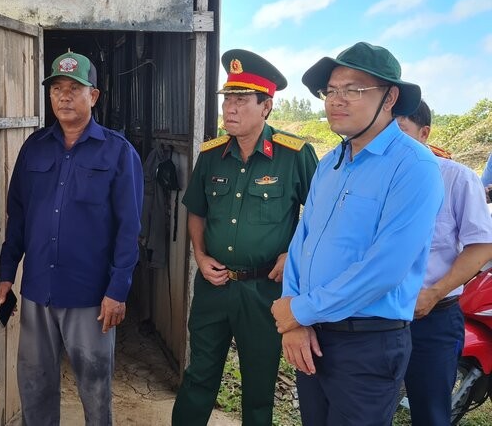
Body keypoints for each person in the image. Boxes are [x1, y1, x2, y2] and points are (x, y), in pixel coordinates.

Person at [271, 42, 444, 425]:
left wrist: (299, 310)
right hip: (311, 333)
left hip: (367, 343)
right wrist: (295, 318)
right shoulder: (331, 161)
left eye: (353, 90)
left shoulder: (414, 167)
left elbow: (384, 270)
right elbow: (303, 241)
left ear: (390, 98)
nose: (336, 100)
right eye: (331, 90)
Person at [0, 51, 143, 426]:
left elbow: (129, 228)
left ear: (93, 96)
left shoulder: (118, 152)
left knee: (94, 389)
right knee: (35, 386)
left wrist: (118, 290)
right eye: (56, 88)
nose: (63, 96)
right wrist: (7, 272)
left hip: (90, 297)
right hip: (38, 291)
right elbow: (18, 215)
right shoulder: (34, 147)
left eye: (74, 88)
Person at [172, 49, 318, 426]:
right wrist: (200, 255)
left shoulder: (294, 154)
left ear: (266, 106)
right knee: (198, 376)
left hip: (264, 290)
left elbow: (321, 217)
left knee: (258, 388)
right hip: (214, 287)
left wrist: (293, 254)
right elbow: (197, 210)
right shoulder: (211, 155)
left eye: (241, 100)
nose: (230, 109)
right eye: (227, 100)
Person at [396, 100, 492, 425]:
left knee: (430, 412)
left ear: (424, 133)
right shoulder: (370, 179)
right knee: (368, 406)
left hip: (431, 318)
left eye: (401, 131)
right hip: (374, 317)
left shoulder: (456, 179)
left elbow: (481, 247)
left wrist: (435, 293)